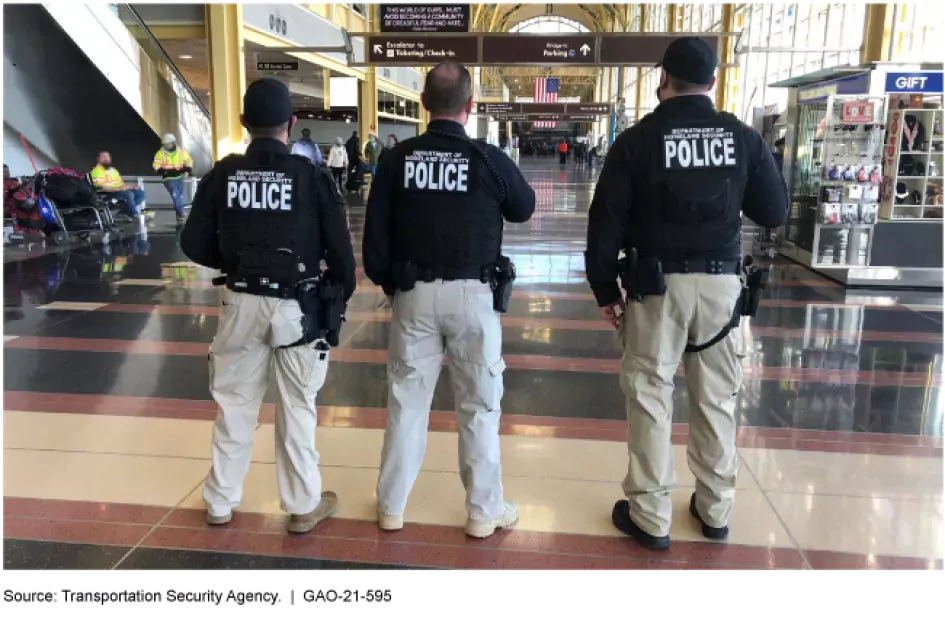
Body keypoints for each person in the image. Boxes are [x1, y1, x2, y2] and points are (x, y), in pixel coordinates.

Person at [585, 37, 789, 551]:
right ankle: (714, 508)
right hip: (722, 288)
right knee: (717, 398)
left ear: (663, 78)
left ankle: (651, 515)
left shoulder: (637, 141)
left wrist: (605, 288)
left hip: (655, 291)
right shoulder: (741, 137)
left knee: (651, 398)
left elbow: (604, 222)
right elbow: (774, 211)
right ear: (714, 81)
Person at [363, 60, 536, 539]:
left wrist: (390, 284)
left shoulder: (398, 160)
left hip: (413, 296)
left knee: (406, 405)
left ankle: (391, 507)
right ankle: (483, 513)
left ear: (422, 104)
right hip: (475, 297)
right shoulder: (487, 159)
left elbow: (375, 237)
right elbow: (524, 208)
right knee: (479, 408)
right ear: (471, 105)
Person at [180, 78, 357, 534]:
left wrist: (236, 261)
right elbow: (341, 256)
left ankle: (220, 501)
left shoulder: (222, 175)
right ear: (291, 125)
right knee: (297, 405)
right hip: (298, 306)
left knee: (235, 404)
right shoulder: (313, 178)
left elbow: (192, 242)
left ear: (244, 124)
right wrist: (336, 297)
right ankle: (302, 506)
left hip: (239, 301)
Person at [90, 151, 147, 220]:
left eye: (107, 157)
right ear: (98, 159)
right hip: (108, 193)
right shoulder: (96, 171)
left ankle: (123, 212)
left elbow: (121, 184)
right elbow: (101, 186)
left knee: (141, 193)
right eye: (103, 157)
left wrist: (132, 186)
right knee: (129, 194)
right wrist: (118, 188)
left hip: (119, 191)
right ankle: (133, 214)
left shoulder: (113, 170)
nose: (106, 159)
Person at [153, 134, 193, 224]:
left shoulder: (181, 151)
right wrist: (162, 171)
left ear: (173, 143)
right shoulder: (160, 154)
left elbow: (189, 160)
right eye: (165, 144)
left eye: (168, 144)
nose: (167, 146)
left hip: (179, 177)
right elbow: (156, 165)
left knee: (179, 196)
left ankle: (179, 215)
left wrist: (188, 170)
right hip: (168, 178)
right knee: (175, 194)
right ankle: (181, 212)